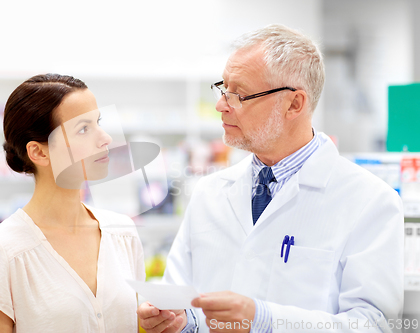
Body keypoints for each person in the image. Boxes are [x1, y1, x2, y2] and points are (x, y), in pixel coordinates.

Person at [137, 24, 404, 333]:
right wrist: (177, 320)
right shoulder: (209, 192)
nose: (221, 105)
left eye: (240, 94)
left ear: (294, 104)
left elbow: (373, 326)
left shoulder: (371, 201)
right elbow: (184, 299)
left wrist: (265, 320)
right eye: (223, 89)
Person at [0, 74, 145, 332]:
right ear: (39, 152)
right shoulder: (4, 249)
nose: (105, 138)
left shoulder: (123, 233)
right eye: (84, 129)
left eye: (98, 122)